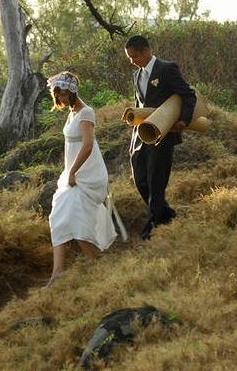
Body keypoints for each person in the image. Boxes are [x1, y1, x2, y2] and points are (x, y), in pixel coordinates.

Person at [46, 71, 117, 287]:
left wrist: (73, 171)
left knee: (75, 218)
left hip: (88, 172)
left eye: (64, 96)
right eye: (58, 97)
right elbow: (71, 146)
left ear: (73, 92)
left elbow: (87, 145)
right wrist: (69, 170)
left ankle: (95, 262)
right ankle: (58, 272)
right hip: (73, 171)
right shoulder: (71, 114)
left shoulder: (87, 113)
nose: (61, 101)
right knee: (57, 215)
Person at [125, 35, 196, 240]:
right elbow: (140, 104)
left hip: (163, 134)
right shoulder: (136, 75)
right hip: (140, 135)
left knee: (157, 181)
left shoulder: (166, 69)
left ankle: (154, 225)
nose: (132, 61)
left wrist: (183, 120)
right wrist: (133, 133)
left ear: (147, 51)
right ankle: (166, 214)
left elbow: (188, 95)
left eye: (135, 56)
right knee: (140, 179)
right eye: (129, 57)